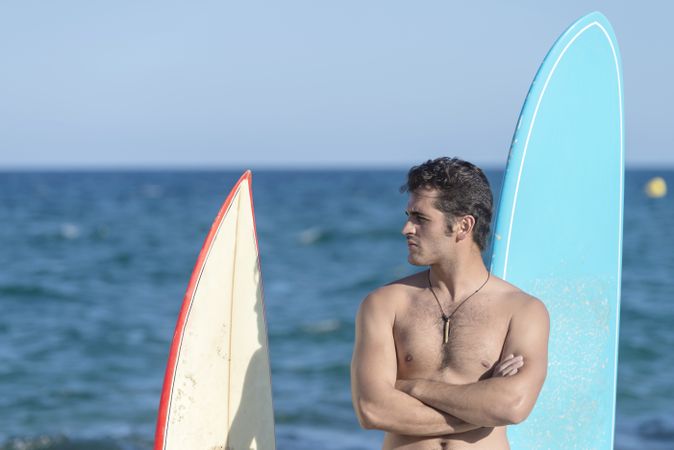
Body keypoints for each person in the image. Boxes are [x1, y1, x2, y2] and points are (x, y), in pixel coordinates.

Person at [351, 157, 549, 449]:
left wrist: (411, 387)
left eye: (421, 218)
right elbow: (372, 409)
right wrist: (482, 409)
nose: (407, 228)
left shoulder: (522, 311)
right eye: (409, 215)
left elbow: (511, 406)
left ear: (463, 226)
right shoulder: (384, 305)